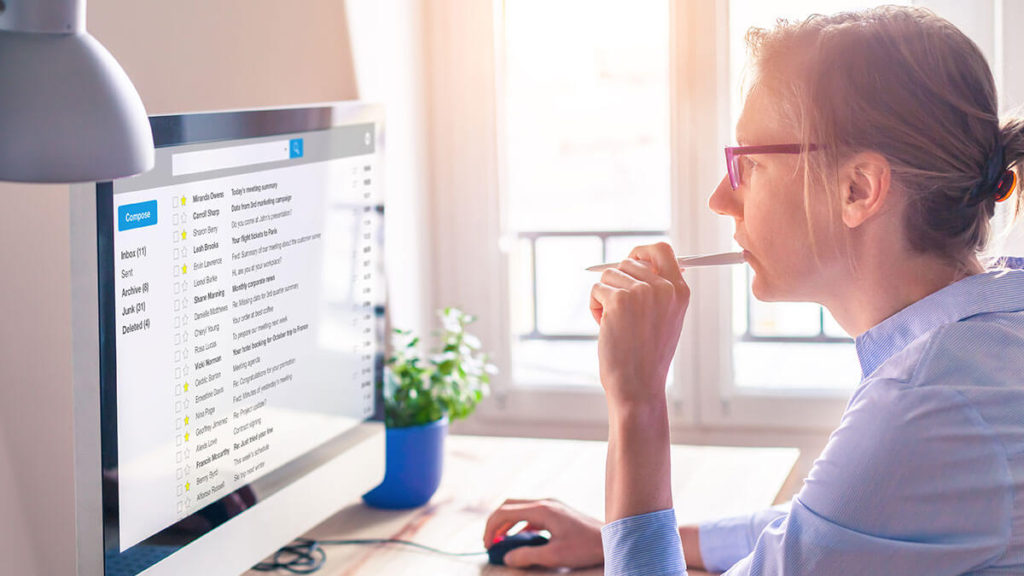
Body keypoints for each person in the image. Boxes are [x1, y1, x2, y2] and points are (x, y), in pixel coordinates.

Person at [483, 6, 1024, 575]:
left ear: (857, 189)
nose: (721, 198)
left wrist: (637, 402)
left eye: (747, 163)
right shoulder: (989, 333)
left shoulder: (923, 406)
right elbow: (825, 524)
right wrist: (620, 537)